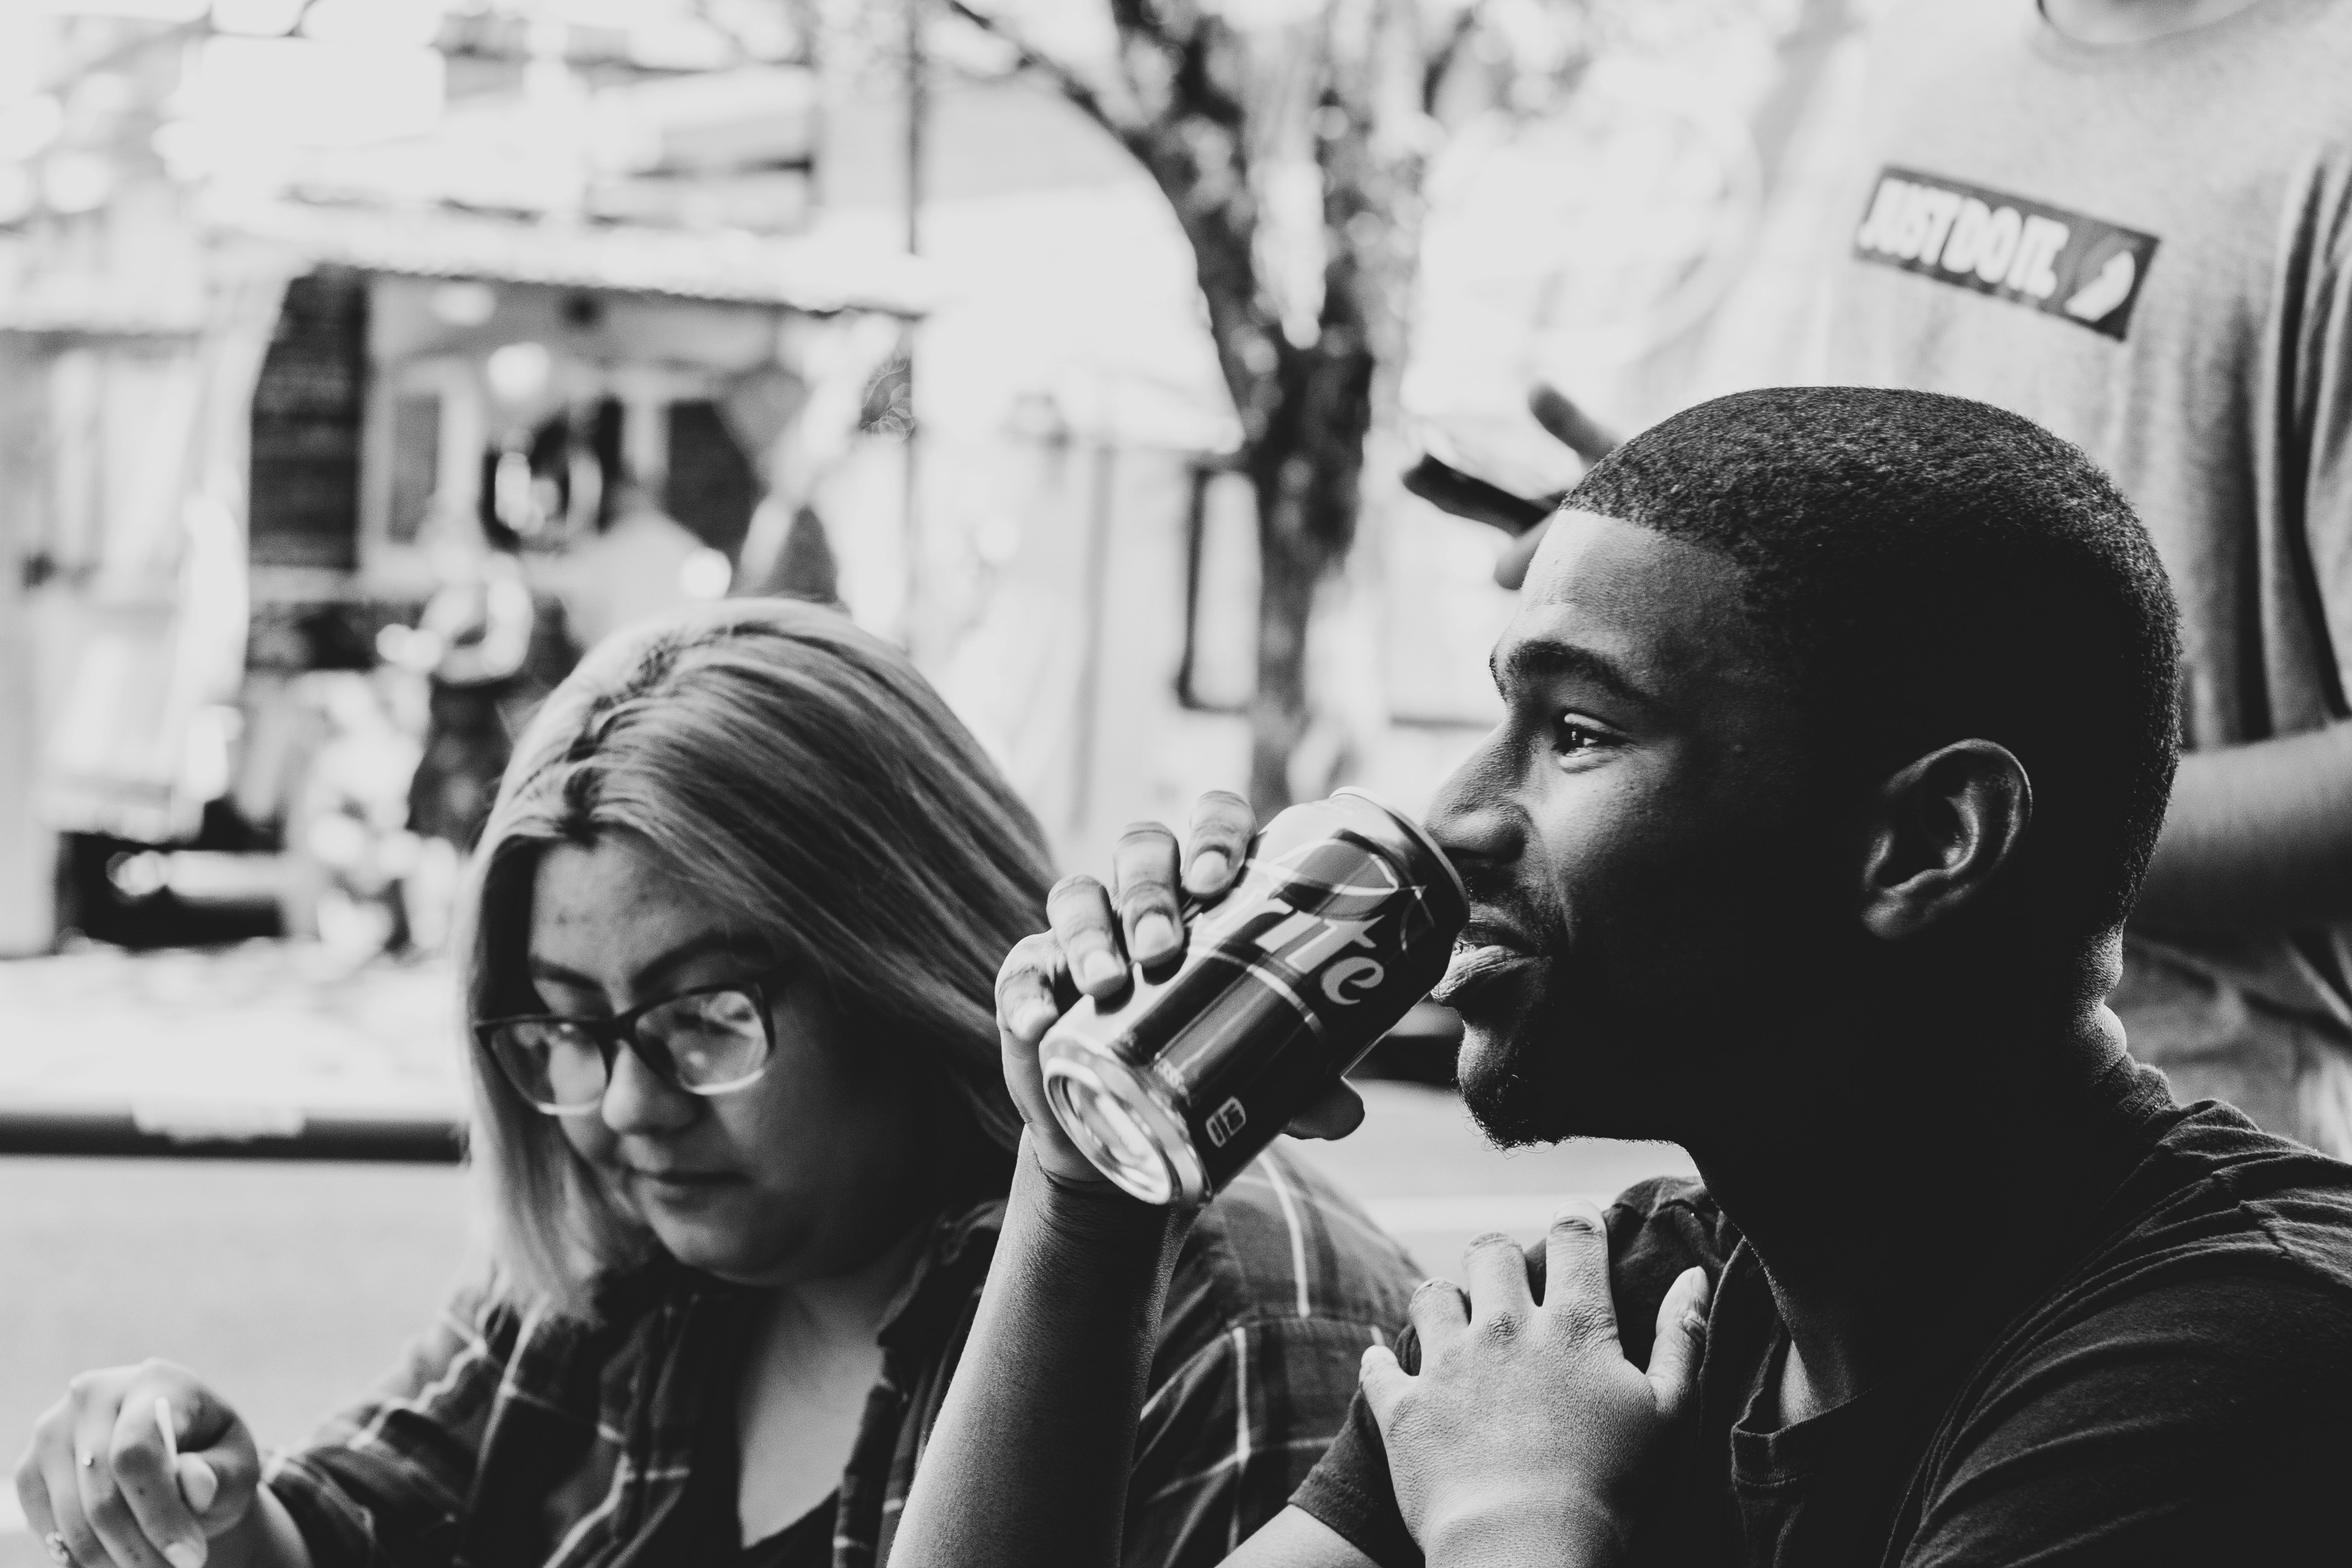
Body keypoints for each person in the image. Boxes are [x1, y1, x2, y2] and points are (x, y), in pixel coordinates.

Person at [891, 388, 2352, 1567]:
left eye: (1578, 731)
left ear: (1924, 841)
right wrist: (1086, 1205)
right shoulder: (1612, 1308)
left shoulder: (2239, 1363)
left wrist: (1521, 1536)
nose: (1457, 817)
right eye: (1497, 715)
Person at [13, 601, 1418, 1568]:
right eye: (563, 1030)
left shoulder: (1210, 1303)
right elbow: (350, 1526)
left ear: (905, 954)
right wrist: (187, 1497)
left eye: (705, 1015)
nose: (627, 1104)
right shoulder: (621, 1251)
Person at [1825, 0, 2352, 1155]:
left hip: (2182, 1143)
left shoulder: (2330, 124)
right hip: (1849, 1097)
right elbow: (1906, 559)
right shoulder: (1943, 85)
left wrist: (1971, 824)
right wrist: (1696, 577)